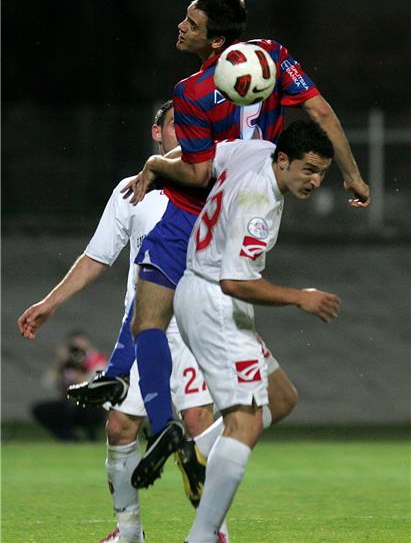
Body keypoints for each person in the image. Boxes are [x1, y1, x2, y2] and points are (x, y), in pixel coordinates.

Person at [120, 0, 369, 485]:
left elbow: (197, 172)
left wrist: (153, 163)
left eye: (191, 22)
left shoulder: (190, 91)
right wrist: (353, 174)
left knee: (147, 320)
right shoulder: (273, 55)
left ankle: (167, 429)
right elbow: (321, 113)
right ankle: (198, 448)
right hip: (251, 207)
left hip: (195, 217)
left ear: (215, 42)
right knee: (277, 396)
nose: (182, 26)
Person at [17, 101, 226, 543]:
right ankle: (128, 531)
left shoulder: (212, 185)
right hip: (143, 330)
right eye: (176, 124)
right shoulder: (133, 190)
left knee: (197, 422)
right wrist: (49, 303)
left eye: (192, 126)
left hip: (192, 326)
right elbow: (97, 257)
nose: (184, 133)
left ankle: (214, 531)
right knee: (118, 428)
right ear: (157, 133)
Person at [174, 120, 341, 542]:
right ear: (282, 160)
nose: (315, 181)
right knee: (245, 425)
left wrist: (155, 165)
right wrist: (298, 297)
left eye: (321, 172)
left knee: (281, 398)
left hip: (201, 291)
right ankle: (203, 536)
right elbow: (235, 281)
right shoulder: (259, 204)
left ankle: (199, 450)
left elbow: (203, 157)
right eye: (307, 169)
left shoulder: (254, 151)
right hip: (217, 299)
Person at [31, 330, 107, 442]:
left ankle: (92, 438)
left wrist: (77, 369)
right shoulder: (64, 363)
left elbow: (93, 385)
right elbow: (47, 382)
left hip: (91, 407)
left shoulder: (97, 360)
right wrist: (59, 363)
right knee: (40, 409)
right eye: (74, 348)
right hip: (69, 405)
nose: (78, 352)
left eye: (82, 349)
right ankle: (69, 438)